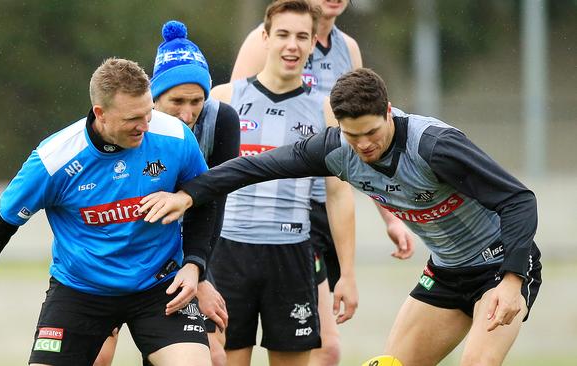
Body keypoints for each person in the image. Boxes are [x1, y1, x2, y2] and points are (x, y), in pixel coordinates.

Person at [139, 68, 543, 366]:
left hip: (500, 265)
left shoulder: (434, 146)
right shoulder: (335, 150)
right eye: (353, 136)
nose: (364, 145)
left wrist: (512, 282)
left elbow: (519, 201)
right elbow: (254, 167)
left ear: (388, 112)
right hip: (447, 271)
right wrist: (189, 196)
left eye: (372, 132)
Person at [0, 58, 217, 366]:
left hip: (160, 286)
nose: (146, 126)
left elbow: (204, 198)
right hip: (81, 292)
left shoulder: (173, 135)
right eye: (134, 118)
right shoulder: (54, 160)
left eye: (148, 113)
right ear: (100, 113)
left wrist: (194, 264)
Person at [94, 21, 240, 366]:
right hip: (120, 250)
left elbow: (213, 201)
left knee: (215, 354)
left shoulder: (221, 122)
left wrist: (198, 273)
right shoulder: (126, 126)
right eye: (176, 101)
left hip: (192, 246)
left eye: (197, 101)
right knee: (97, 356)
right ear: (153, 100)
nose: (187, 113)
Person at [231, 2, 369, 364]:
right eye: (283, 35)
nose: (292, 45)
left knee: (324, 351)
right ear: (265, 38)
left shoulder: (325, 111)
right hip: (231, 254)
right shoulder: (225, 100)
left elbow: (339, 193)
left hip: (293, 253)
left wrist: (349, 275)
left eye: (301, 37)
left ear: (312, 44)